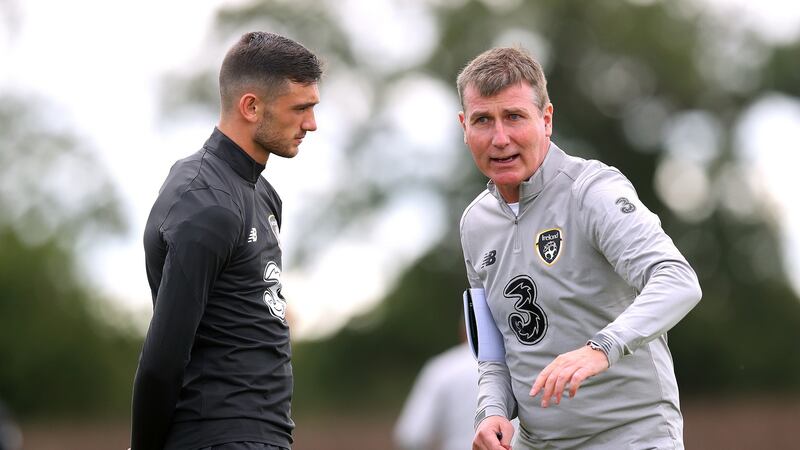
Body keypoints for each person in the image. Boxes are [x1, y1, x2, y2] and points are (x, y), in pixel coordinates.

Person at [456, 47, 702, 449]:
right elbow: (493, 350)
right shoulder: (474, 223)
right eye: (484, 120)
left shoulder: (592, 191)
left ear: (546, 119)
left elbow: (678, 280)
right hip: (539, 443)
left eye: (514, 117)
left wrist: (599, 349)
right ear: (465, 126)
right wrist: (492, 411)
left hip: (632, 437)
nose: (500, 139)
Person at [131, 31, 321, 450]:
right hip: (215, 436)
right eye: (301, 108)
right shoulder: (205, 202)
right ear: (251, 106)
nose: (311, 123)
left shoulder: (263, 194)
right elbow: (162, 361)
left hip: (264, 436)